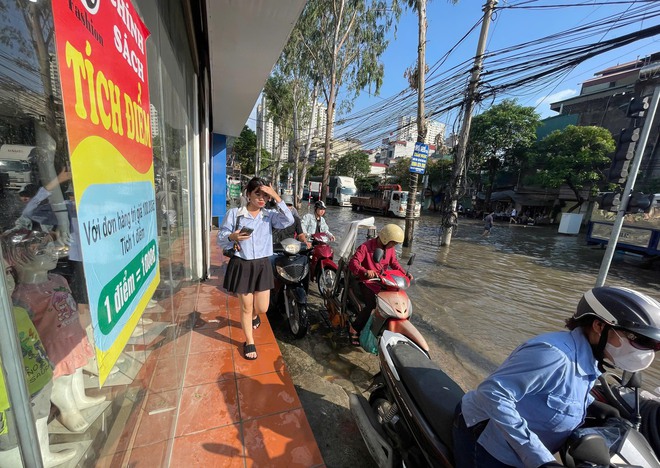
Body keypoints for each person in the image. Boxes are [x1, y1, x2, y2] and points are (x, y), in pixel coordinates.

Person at [453, 286, 660, 468]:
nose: (647, 351)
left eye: (654, 346)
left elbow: (561, 392)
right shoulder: (554, 355)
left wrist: (591, 405)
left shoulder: (591, 359)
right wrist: (541, 460)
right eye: (638, 340)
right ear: (599, 326)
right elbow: (491, 394)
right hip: (490, 444)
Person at [218, 177, 294, 360]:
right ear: (248, 194)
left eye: (265, 196)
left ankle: (254, 317)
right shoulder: (235, 214)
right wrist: (232, 237)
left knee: (262, 307)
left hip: (262, 264)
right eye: (257, 194)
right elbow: (220, 238)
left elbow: (289, 220)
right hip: (242, 264)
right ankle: (249, 341)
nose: (261, 198)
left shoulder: (269, 216)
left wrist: (276, 196)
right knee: (246, 306)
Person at [347, 224, 411, 346]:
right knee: (371, 305)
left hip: (383, 281)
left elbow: (394, 263)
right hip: (368, 282)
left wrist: (405, 274)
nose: (394, 246)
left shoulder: (390, 249)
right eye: (393, 243)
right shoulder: (366, 247)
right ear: (386, 239)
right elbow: (353, 262)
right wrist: (365, 271)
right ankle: (354, 328)